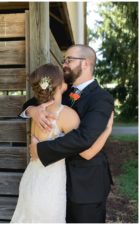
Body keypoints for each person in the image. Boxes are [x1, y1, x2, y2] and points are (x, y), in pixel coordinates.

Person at [21, 45, 114, 222]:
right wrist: (33, 111)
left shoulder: (102, 98)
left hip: (86, 184)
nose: (64, 64)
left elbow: (84, 138)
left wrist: (40, 150)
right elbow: (28, 105)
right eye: (64, 60)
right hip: (55, 184)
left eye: (69, 60)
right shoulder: (61, 90)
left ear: (85, 64)